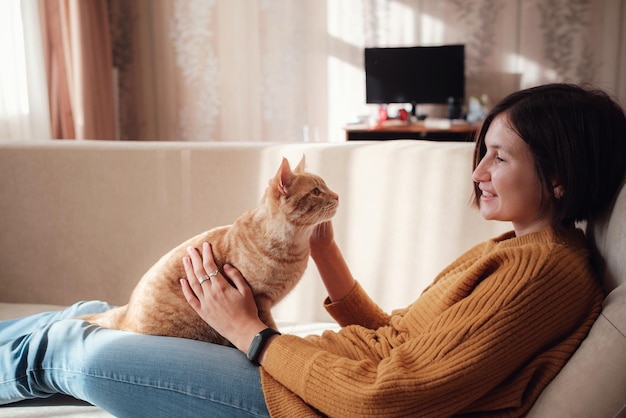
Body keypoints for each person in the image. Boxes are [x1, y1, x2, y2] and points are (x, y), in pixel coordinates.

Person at [1, 83, 625, 417]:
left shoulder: (546, 271)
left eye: (499, 155)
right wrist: (325, 253)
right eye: (480, 151)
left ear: (561, 176)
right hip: (312, 376)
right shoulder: (523, 249)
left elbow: (391, 397)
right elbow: (399, 339)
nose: (478, 170)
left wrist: (253, 334)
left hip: (298, 400)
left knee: (71, 351)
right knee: (88, 312)